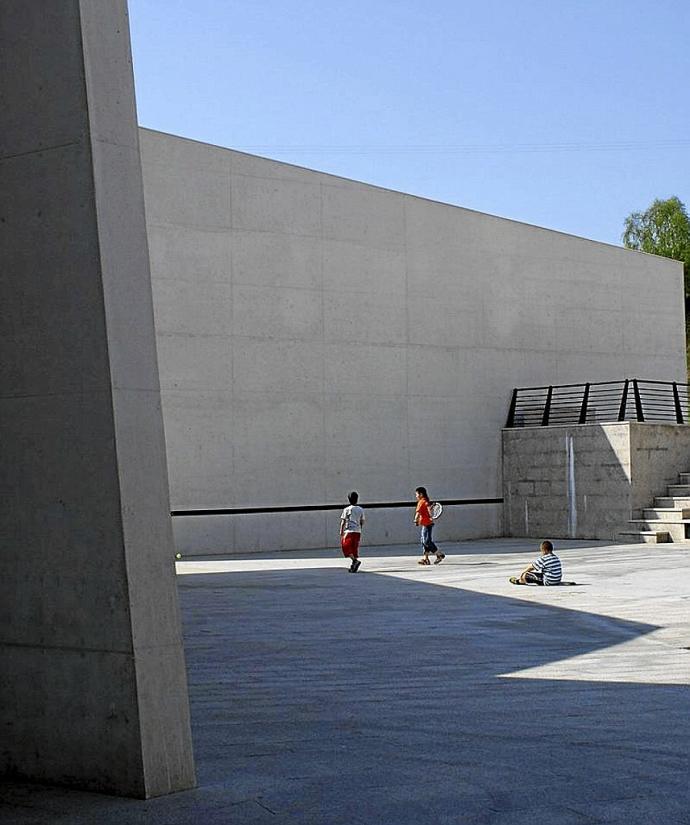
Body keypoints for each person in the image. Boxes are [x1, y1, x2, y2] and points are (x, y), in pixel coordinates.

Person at [415, 486, 445, 565]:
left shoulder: (421, 502)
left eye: (417, 494)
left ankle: (439, 554)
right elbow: (428, 508)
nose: (416, 496)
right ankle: (426, 559)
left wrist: (416, 520)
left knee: (426, 541)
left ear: (421, 494)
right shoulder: (425, 501)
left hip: (427, 524)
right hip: (425, 524)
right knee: (423, 541)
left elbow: (418, 513)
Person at [340, 491, 365, 572]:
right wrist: (360, 528)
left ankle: (355, 561)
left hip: (349, 531)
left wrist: (341, 531)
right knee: (354, 548)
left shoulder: (346, 509)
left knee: (346, 547)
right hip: (358, 531)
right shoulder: (361, 509)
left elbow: (343, 521)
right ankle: (354, 566)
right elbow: (362, 521)